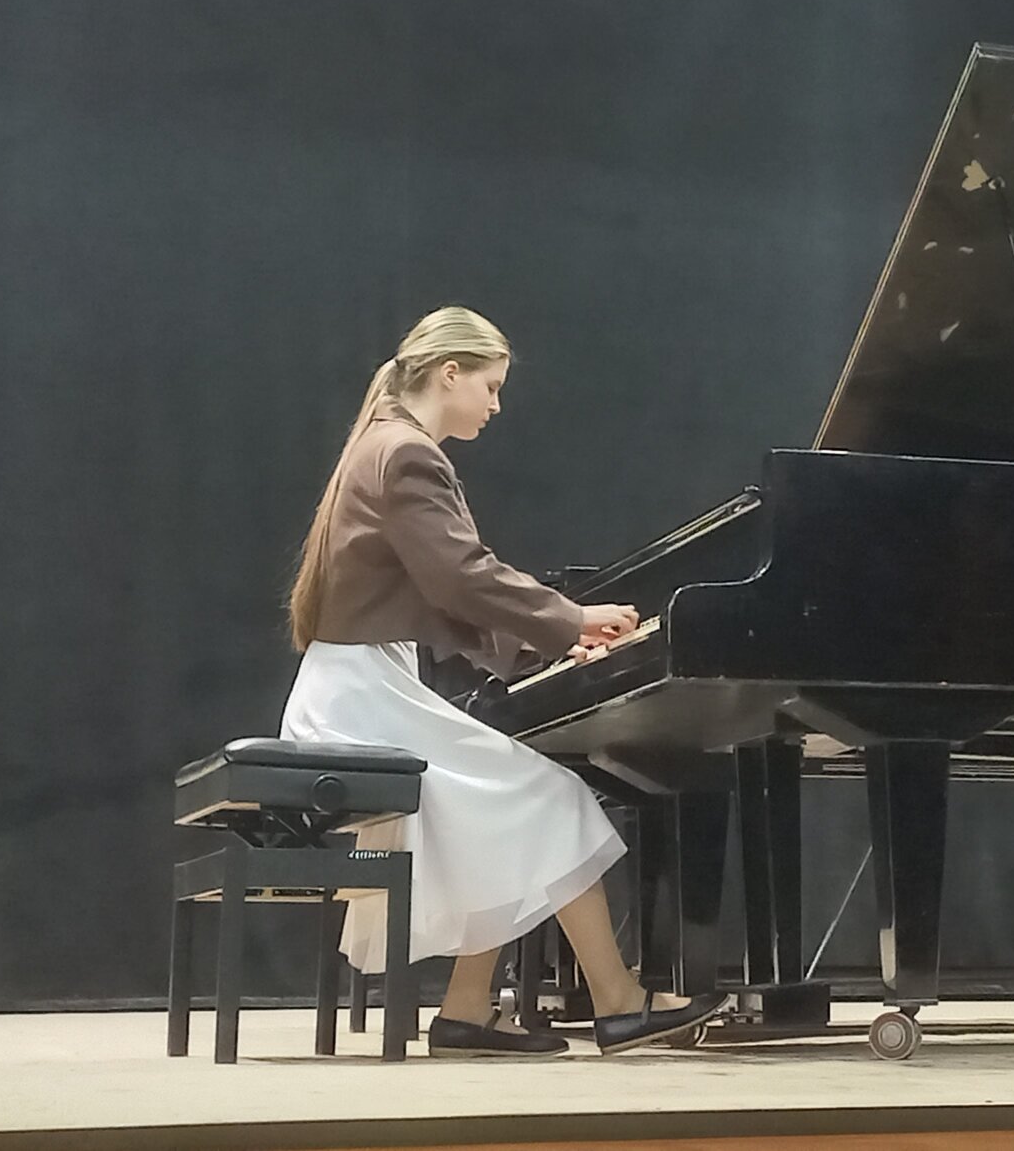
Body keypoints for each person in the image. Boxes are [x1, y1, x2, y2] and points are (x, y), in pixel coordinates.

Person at [280, 305, 724, 1057]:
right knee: (550, 797)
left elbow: (441, 588)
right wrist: (570, 620)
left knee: (504, 810)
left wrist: (549, 646)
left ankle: (465, 1011)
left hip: (359, 690)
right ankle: (618, 1002)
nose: (495, 405)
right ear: (448, 374)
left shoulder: (382, 444)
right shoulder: (407, 453)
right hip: (362, 703)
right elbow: (460, 576)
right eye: (490, 387)